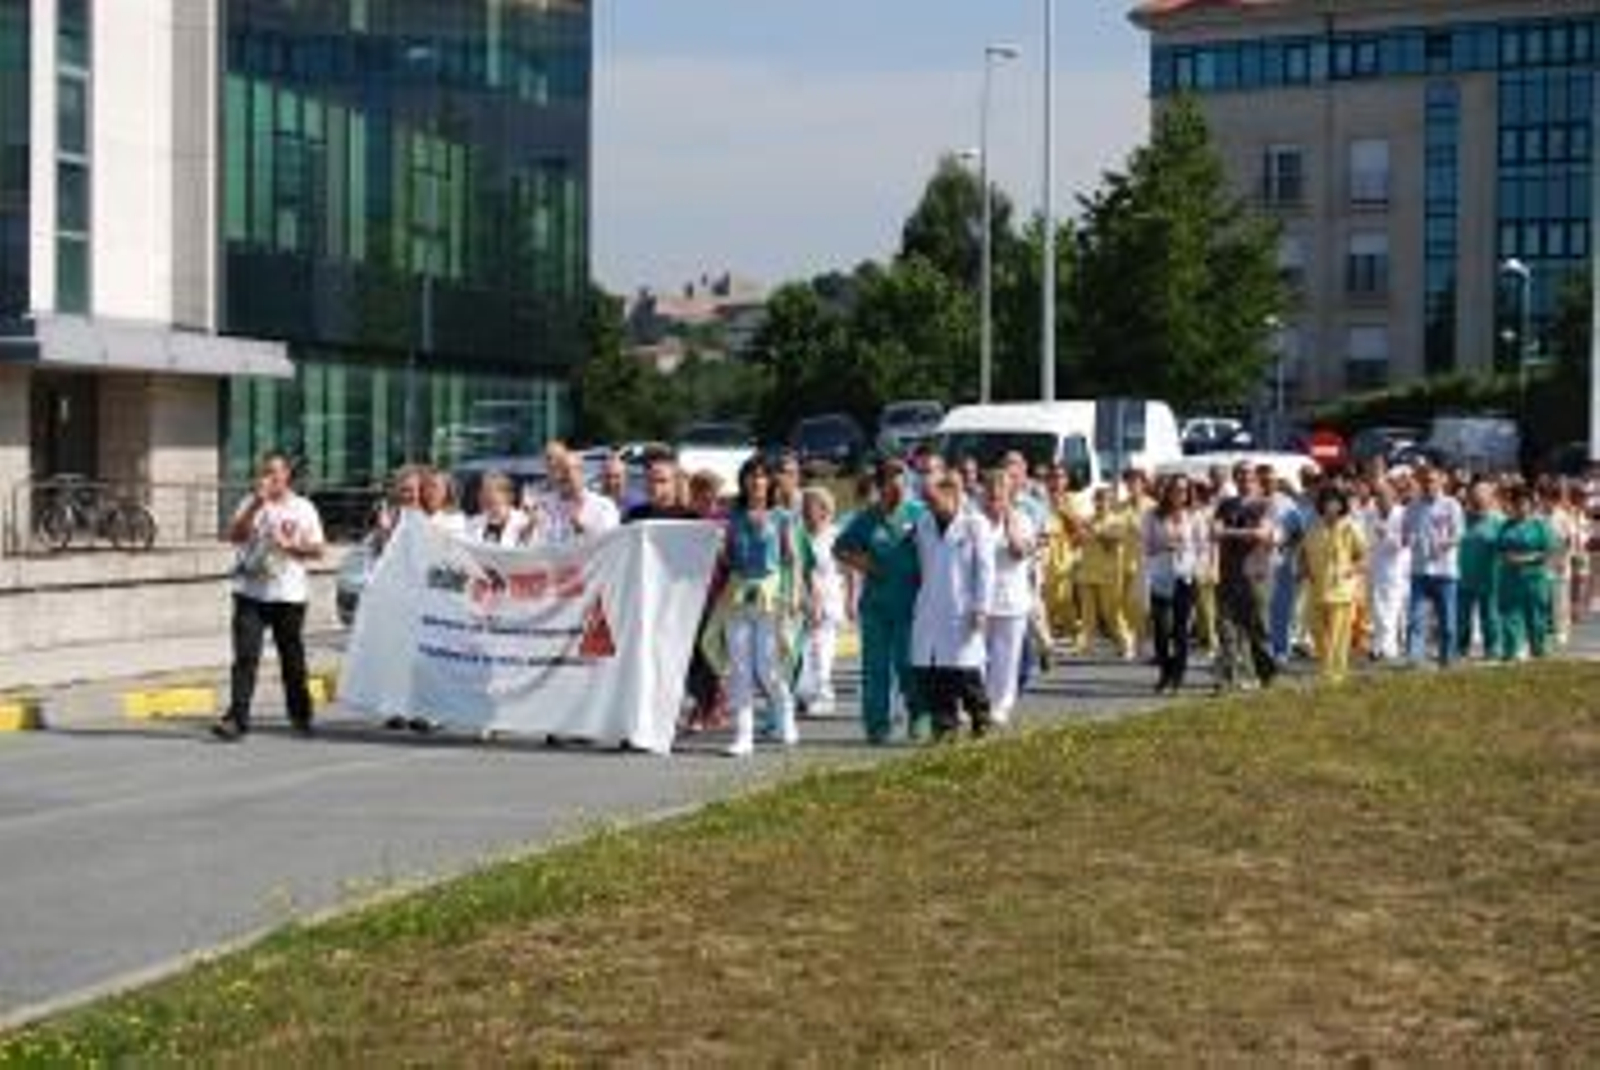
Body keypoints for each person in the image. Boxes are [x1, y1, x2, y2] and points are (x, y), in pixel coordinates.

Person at [214, 451, 326, 742]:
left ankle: (300, 715)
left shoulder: (303, 508)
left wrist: (290, 546)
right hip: (250, 593)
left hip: (288, 595)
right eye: (264, 472)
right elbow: (235, 536)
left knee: (292, 659)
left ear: (286, 475)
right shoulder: (250, 503)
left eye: (274, 472)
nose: (269, 478)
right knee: (245, 657)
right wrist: (256, 505)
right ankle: (236, 719)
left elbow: (318, 550)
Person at [835, 458, 925, 745]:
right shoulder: (867, 517)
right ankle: (877, 725)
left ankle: (919, 718)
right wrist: (864, 563)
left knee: (909, 664)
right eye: (890, 478)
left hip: (911, 604)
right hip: (876, 605)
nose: (896, 484)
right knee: (876, 668)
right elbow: (840, 548)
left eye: (901, 477)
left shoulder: (919, 513)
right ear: (881, 484)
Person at [719, 458, 801, 757]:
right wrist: (721, 550)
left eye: (762, 476)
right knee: (740, 668)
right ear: (743, 481)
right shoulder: (733, 517)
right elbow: (728, 558)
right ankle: (744, 735)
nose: (757, 482)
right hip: (738, 594)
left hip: (771, 596)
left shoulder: (782, 517)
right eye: (751, 476)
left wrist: (794, 595)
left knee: (767, 666)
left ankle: (784, 713)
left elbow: (792, 559)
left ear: (770, 482)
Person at [912, 474, 995, 742]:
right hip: (931, 605)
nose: (930, 505)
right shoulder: (924, 523)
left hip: (963, 606)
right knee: (935, 670)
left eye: (934, 499)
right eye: (926, 500)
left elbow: (986, 569)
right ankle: (945, 725)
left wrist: (982, 607)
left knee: (965, 670)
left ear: (951, 493)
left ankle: (981, 718)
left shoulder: (974, 524)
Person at [1213, 466, 1277, 692]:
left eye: (1249, 477)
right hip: (1228, 573)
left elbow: (1262, 533)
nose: (1244, 481)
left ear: (1256, 480)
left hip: (1255, 574)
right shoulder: (1225, 504)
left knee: (1257, 628)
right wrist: (1242, 533)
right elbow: (1214, 531)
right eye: (1240, 477)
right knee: (1225, 627)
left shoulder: (1265, 505)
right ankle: (1226, 677)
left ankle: (1265, 674)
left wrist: (1228, 532)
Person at [981, 470, 1037, 725]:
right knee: (977, 658)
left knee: (1007, 659)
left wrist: (1008, 522)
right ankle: (978, 703)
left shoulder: (1022, 520)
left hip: (1012, 601)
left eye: (999, 493)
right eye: (990, 493)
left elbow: (1018, 552)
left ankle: (1001, 705)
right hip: (981, 602)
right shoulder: (975, 521)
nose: (995, 498)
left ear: (1008, 495)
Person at [1144, 475, 1206, 694]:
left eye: (1184, 490)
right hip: (1161, 576)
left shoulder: (1195, 515)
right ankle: (1165, 671)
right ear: (1168, 492)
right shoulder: (1153, 515)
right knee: (1161, 629)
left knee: (1180, 630)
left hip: (1185, 576)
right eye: (1176, 490)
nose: (1180, 494)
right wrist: (1164, 546)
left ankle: (1178, 676)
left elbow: (1202, 546)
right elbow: (1147, 546)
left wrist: (1198, 567)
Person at [1300, 485, 1367, 684]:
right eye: (1327, 501)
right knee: (1315, 628)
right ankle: (1326, 666)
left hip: (1341, 590)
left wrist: (1350, 571)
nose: (1331, 506)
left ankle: (1335, 674)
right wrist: (1304, 569)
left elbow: (1363, 556)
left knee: (1339, 635)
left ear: (1341, 505)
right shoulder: (1313, 528)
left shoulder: (1350, 527)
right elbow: (1303, 553)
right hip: (1317, 588)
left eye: (1335, 502)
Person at [1401, 465, 1465, 667]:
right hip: (1420, 571)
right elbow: (1405, 534)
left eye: (1432, 481)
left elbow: (1459, 533)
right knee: (1416, 618)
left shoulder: (1451, 504)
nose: (1428, 485)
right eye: (1425, 481)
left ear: (1441, 481)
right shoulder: (1413, 506)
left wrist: (1445, 544)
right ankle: (1415, 658)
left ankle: (1447, 658)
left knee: (1448, 622)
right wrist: (1408, 539)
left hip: (1445, 571)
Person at [795, 486, 846, 717]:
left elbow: (848, 570)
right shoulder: (798, 534)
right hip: (801, 599)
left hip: (827, 600)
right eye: (803, 506)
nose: (804, 510)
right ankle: (803, 694)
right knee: (802, 651)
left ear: (824, 510)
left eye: (809, 506)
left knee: (822, 650)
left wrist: (850, 600)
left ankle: (824, 697)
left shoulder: (836, 535)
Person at [1496, 483, 1557, 662]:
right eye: (1517, 503)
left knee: (1536, 615)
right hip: (1510, 578)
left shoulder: (1540, 525)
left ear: (1530, 505)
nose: (1521, 507)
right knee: (1509, 614)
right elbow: (1500, 549)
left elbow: (1550, 551)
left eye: (1524, 503)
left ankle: (1538, 649)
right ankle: (1510, 650)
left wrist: (1527, 558)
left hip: (1534, 578)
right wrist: (1508, 557)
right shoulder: (1506, 526)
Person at [1074, 487, 1133, 659]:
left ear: (1111, 502)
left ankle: (1126, 644)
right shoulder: (1088, 519)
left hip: (1109, 575)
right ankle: (1085, 646)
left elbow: (1111, 542)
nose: (1100, 504)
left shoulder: (1117, 521)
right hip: (1087, 572)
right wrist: (1079, 532)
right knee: (1087, 615)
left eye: (1104, 500)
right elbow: (1077, 541)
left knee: (1112, 614)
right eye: (1097, 500)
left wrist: (1096, 531)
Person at [530, 443, 620, 546]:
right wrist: (530, 527)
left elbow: (611, 545)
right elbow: (531, 546)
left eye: (567, 471)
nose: (561, 476)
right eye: (558, 471)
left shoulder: (603, 507)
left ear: (580, 472)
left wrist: (581, 528)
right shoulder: (544, 506)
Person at [1362, 478, 1411, 663]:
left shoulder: (1403, 514)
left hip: (1396, 569)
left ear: (1394, 496)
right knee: (1376, 609)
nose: (1380, 499)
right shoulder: (1370, 513)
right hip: (1375, 566)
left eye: (1384, 496)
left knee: (1391, 608)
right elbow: (1366, 539)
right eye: (1378, 496)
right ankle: (1379, 645)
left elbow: (1405, 543)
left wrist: (1387, 535)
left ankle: (1387, 648)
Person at [1456, 479, 1504, 660]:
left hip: (1490, 577)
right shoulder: (1461, 519)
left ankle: (1492, 647)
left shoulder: (1499, 521)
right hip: (1464, 575)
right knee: (1462, 616)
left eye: (1482, 496)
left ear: (1491, 498)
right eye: (1475, 495)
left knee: (1490, 616)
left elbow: (1506, 547)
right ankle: (1461, 647)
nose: (1478, 499)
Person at [625, 452, 698, 523]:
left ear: (676, 482)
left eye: (662, 481)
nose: (654, 486)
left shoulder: (693, 517)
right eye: (650, 480)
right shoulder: (635, 516)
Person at [465, 472, 530, 546]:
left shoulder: (524, 522)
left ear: (507, 496)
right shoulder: (474, 522)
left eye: (490, 490)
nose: (485, 495)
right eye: (483, 490)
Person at [421, 468, 467, 536]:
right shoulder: (420, 516)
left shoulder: (454, 521)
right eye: (425, 487)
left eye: (434, 486)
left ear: (447, 491)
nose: (429, 491)